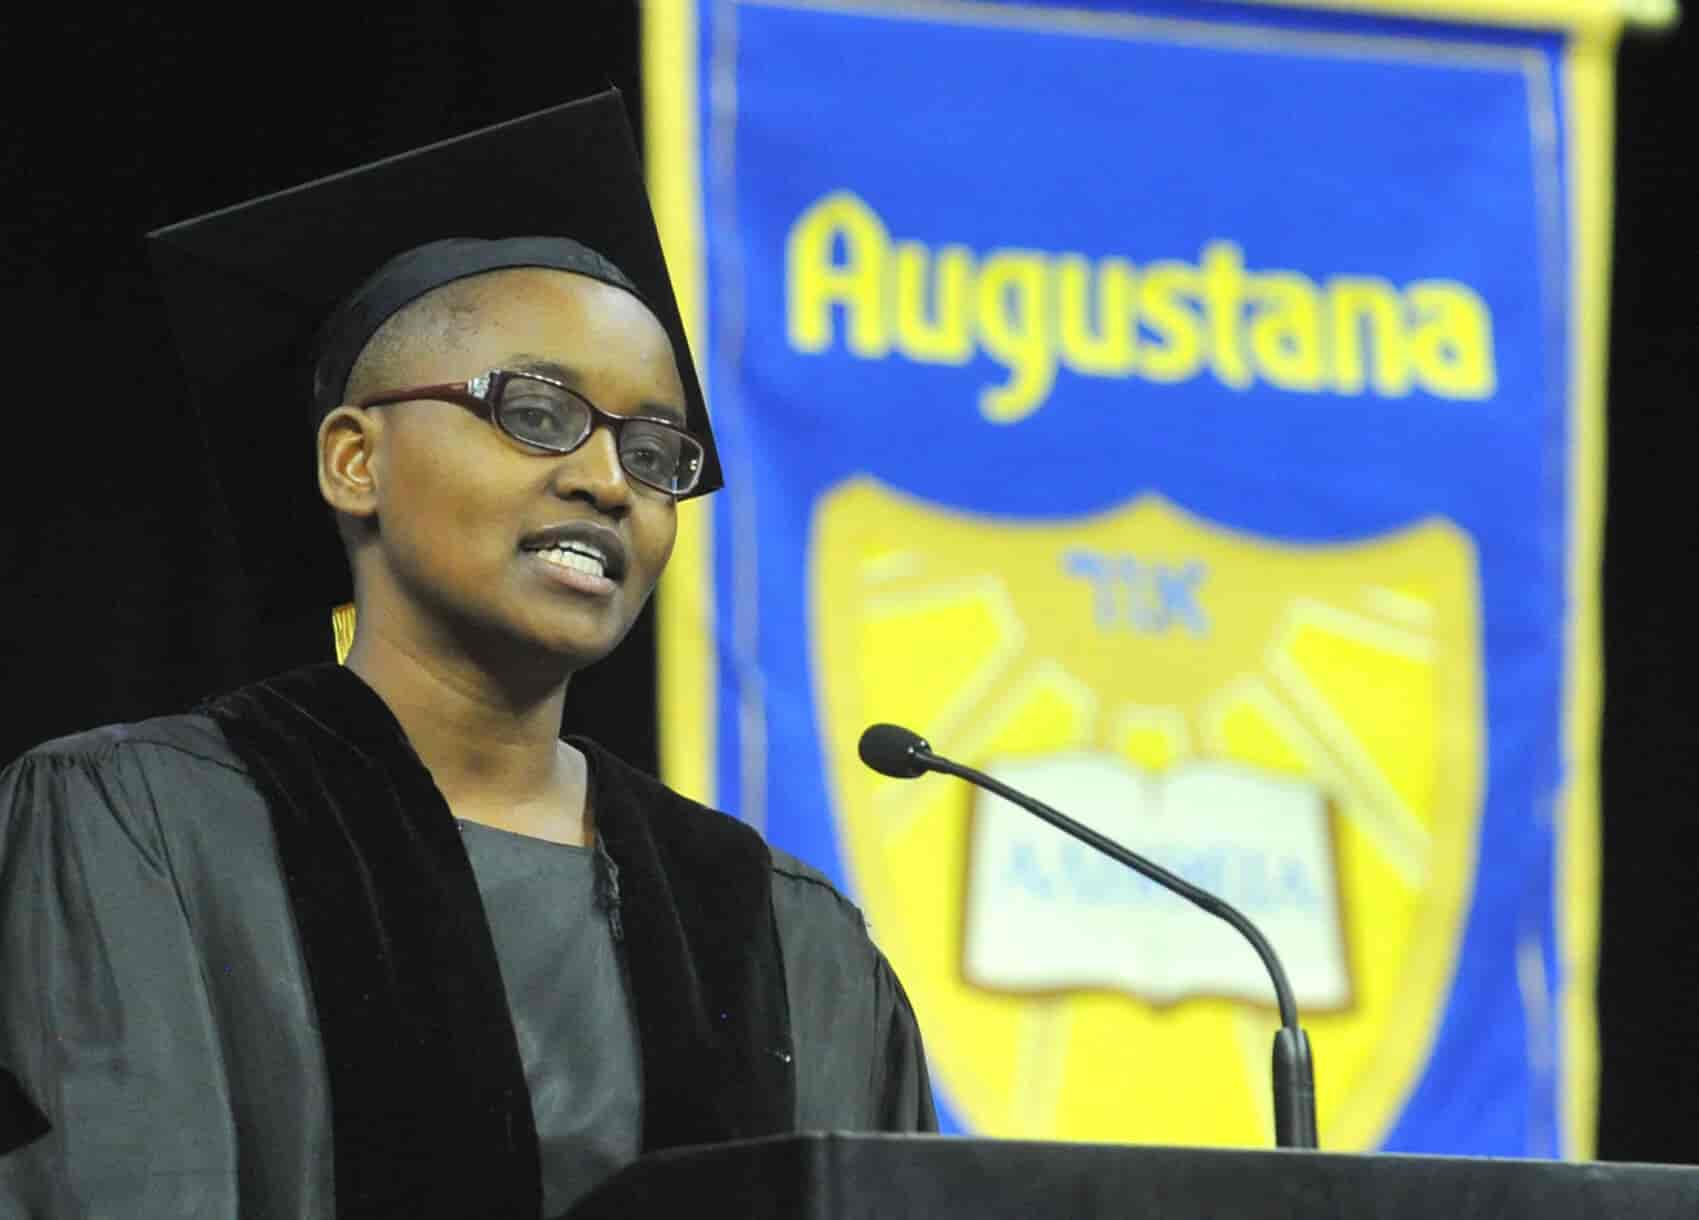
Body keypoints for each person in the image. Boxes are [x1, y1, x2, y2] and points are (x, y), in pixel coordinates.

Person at [0, 92, 935, 1219]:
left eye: (653, 448)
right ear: (355, 461)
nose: (606, 480)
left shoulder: (779, 931)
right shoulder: (145, 826)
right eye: (538, 411)